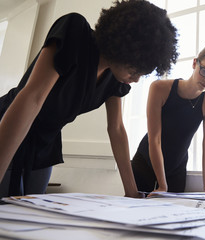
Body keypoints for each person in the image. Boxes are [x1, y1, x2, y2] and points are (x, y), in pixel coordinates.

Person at [0, 0, 178, 198]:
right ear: (123, 47)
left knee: (30, 216)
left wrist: (131, 191)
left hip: (45, 144)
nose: (135, 80)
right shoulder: (75, 33)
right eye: (134, 70)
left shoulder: (114, 80)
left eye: (141, 74)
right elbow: (33, 97)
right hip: (10, 125)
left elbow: (117, 129)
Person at [131, 43, 205, 194]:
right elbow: (154, 139)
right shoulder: (159, 88)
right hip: (146, 162)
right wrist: (162, 186)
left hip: (176, 168)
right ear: (195, 63)